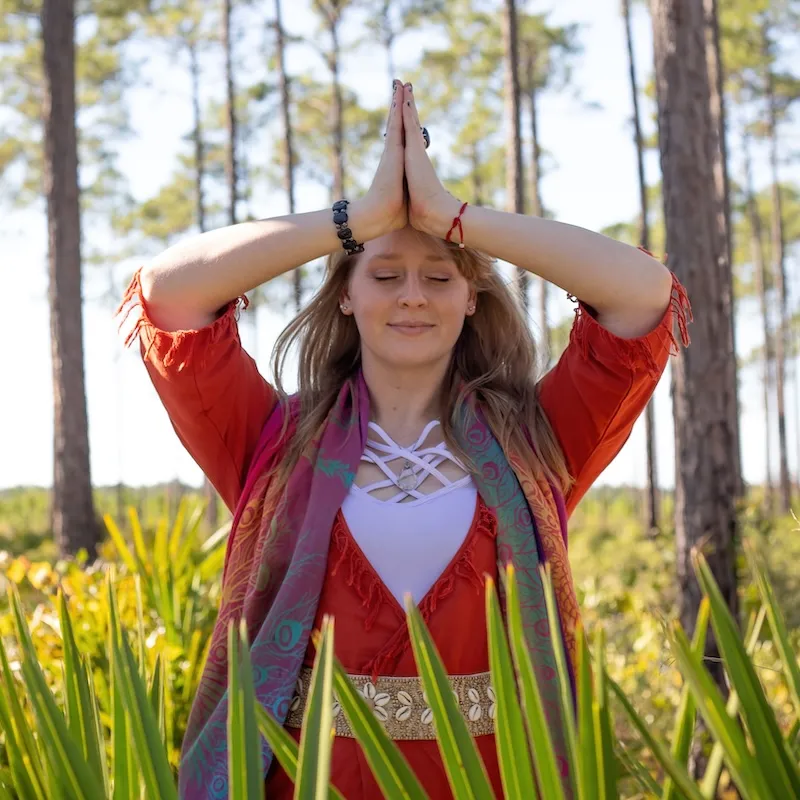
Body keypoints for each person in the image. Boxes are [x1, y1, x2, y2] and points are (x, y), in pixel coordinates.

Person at [117, 79, 691, 799]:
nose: (412, 295)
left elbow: (642, 293)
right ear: (347, 295)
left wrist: (454, 217)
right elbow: (168, 293)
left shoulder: (538, 440)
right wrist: (361, 216)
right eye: (384, 274)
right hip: (305, 780)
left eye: (439, 276)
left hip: (492, 780)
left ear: (471, 297)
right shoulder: (273, 439)